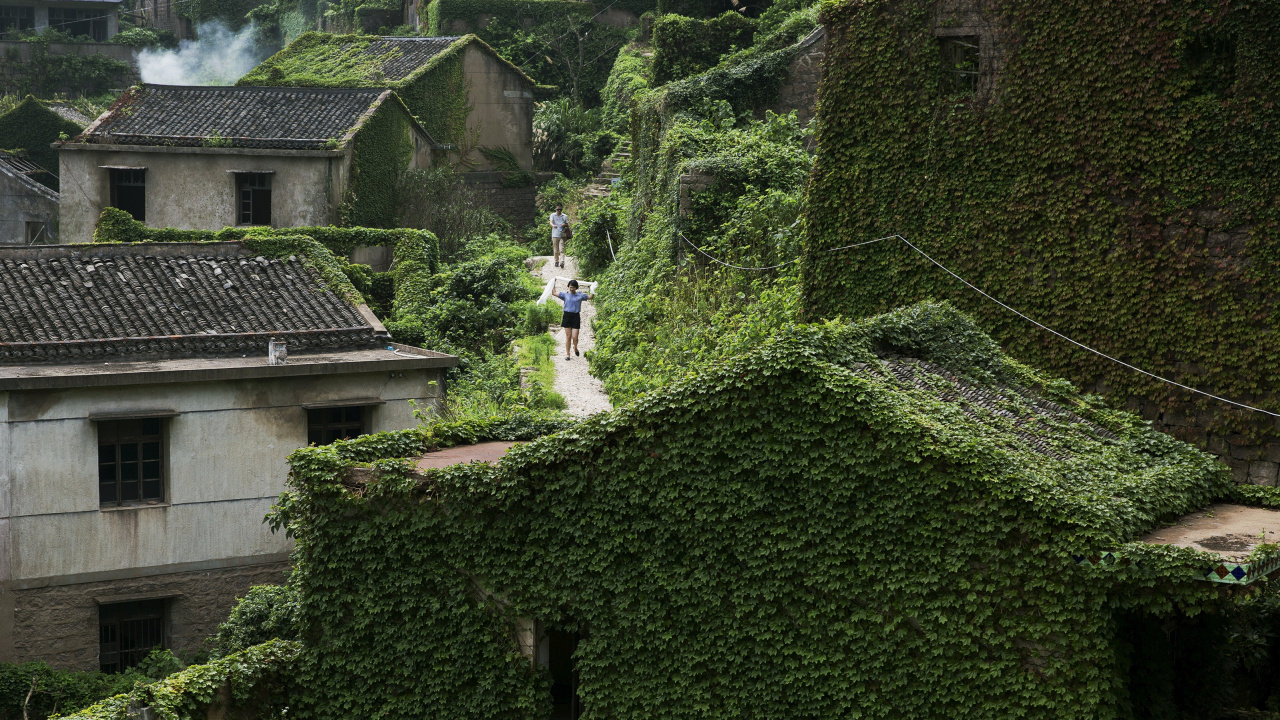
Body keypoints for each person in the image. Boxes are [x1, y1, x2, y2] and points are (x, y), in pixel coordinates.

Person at [556, 279, 594, 360]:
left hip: (576, 316)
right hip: (567, 315)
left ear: (576, 288)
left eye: (573, 287)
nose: (571, 289)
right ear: (568, 287)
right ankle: (567, 354)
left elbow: (590, 297)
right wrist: (553, 283)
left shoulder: (580, 295)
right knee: (568, 336)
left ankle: (575, 347)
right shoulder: (565, 294)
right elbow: (554, 293)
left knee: (575, 337)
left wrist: (593, 288)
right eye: (570, 287)